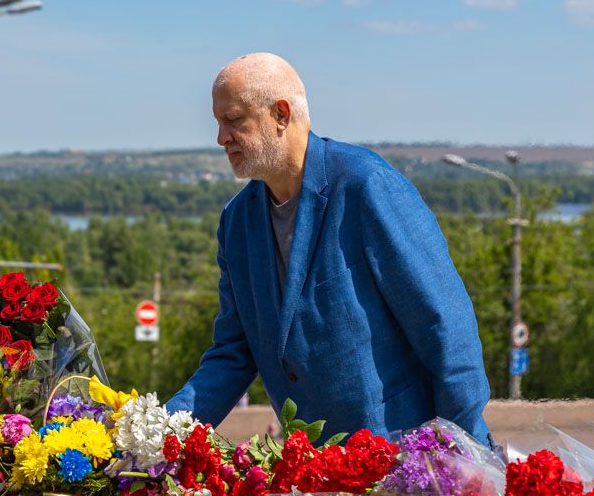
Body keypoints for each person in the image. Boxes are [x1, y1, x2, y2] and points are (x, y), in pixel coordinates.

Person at [165, 53, 492, 445]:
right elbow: (233, 354)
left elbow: (445, 326)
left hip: (405, 459)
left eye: (233, 120)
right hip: (313, 475)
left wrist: (465, 450)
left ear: (281, 114)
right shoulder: (237, 221)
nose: (221, 138)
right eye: (218, 123)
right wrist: (159, 433)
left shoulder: (366, 185)